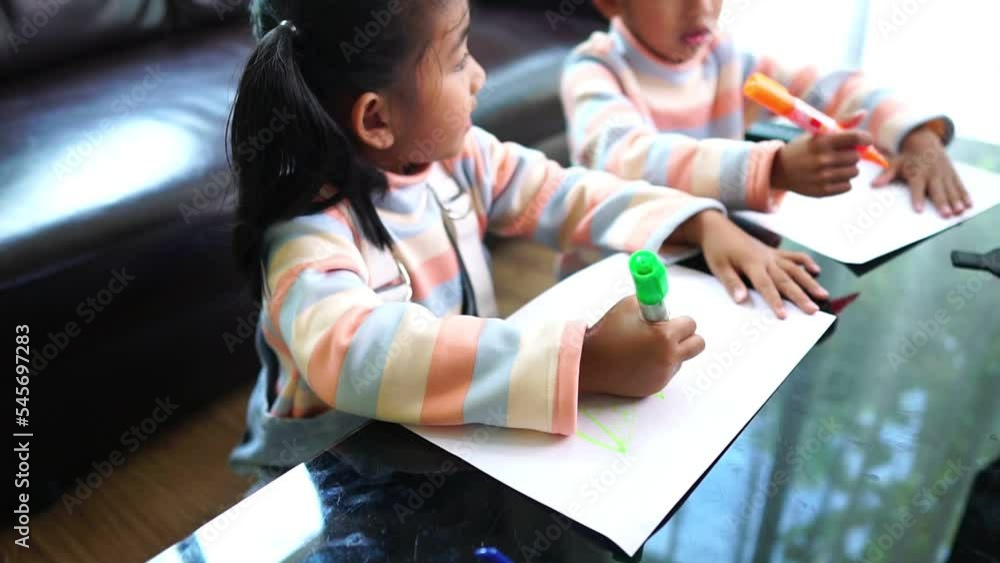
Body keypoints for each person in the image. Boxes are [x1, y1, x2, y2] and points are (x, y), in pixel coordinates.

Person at [226, 0, 827, 480]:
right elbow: (361, 356)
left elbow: (563, 191)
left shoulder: (458, 157)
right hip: (343, 476)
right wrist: (584, 360)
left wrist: (700, 221)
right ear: (377, 120)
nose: (481, 75)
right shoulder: (307, 236)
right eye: (459, 58)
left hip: (446, 441)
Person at [561, 0, 969, 217]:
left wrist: (915, 134)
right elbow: (625, 160)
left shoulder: (725, 57)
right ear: (611, 1)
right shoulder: (594, 70)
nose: (700, 5)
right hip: (626, 271)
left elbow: (826, 86)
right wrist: (771, 169)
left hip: (722, 248)